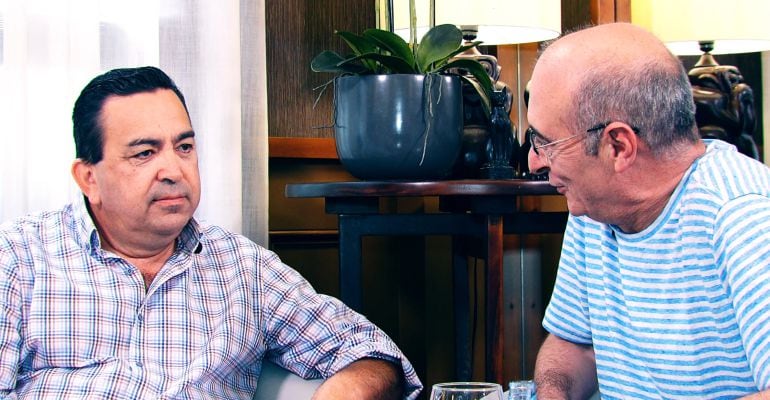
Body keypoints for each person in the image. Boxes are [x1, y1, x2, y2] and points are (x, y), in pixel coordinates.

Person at [0, 66, 422, 399]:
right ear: (88, 177)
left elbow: (374, 354)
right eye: (145, 153)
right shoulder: (19, 258)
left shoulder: (243, 269)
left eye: (184, 147)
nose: (174, 171)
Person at [526, 23, 770, 399]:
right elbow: (575, 345)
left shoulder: (742, 215)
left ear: (619, 147)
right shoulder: (594, 208)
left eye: (546, 143)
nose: (534, 160)